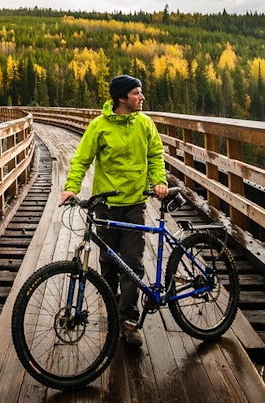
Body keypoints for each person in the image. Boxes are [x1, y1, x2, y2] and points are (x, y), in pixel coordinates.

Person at [60, 74, 168, 348]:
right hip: (106, 206)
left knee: (132, 264)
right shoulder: (99, 127)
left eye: (141, 92)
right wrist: (71, 188)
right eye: (136, 93)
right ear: (121, 98)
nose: (142, 97)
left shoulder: (145, 124)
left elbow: (155, 154)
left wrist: (159, 180)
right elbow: (81, 159)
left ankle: (129, 322)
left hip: (134, 205)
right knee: (108, 265)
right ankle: (111, 314)